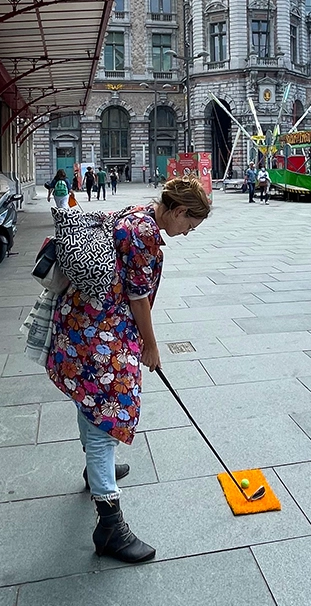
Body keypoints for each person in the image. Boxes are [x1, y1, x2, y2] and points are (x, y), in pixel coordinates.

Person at [46, 176, 212, 563]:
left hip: (80, 327)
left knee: (88, 401)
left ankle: (95, 469)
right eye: (189, 225)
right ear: (179, 211)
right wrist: (151, 347)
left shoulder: (136, 213)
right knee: (109, 418)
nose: (186, 233)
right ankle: (109, 526)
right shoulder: (146, 234)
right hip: (101, 335)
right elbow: (138, 299)